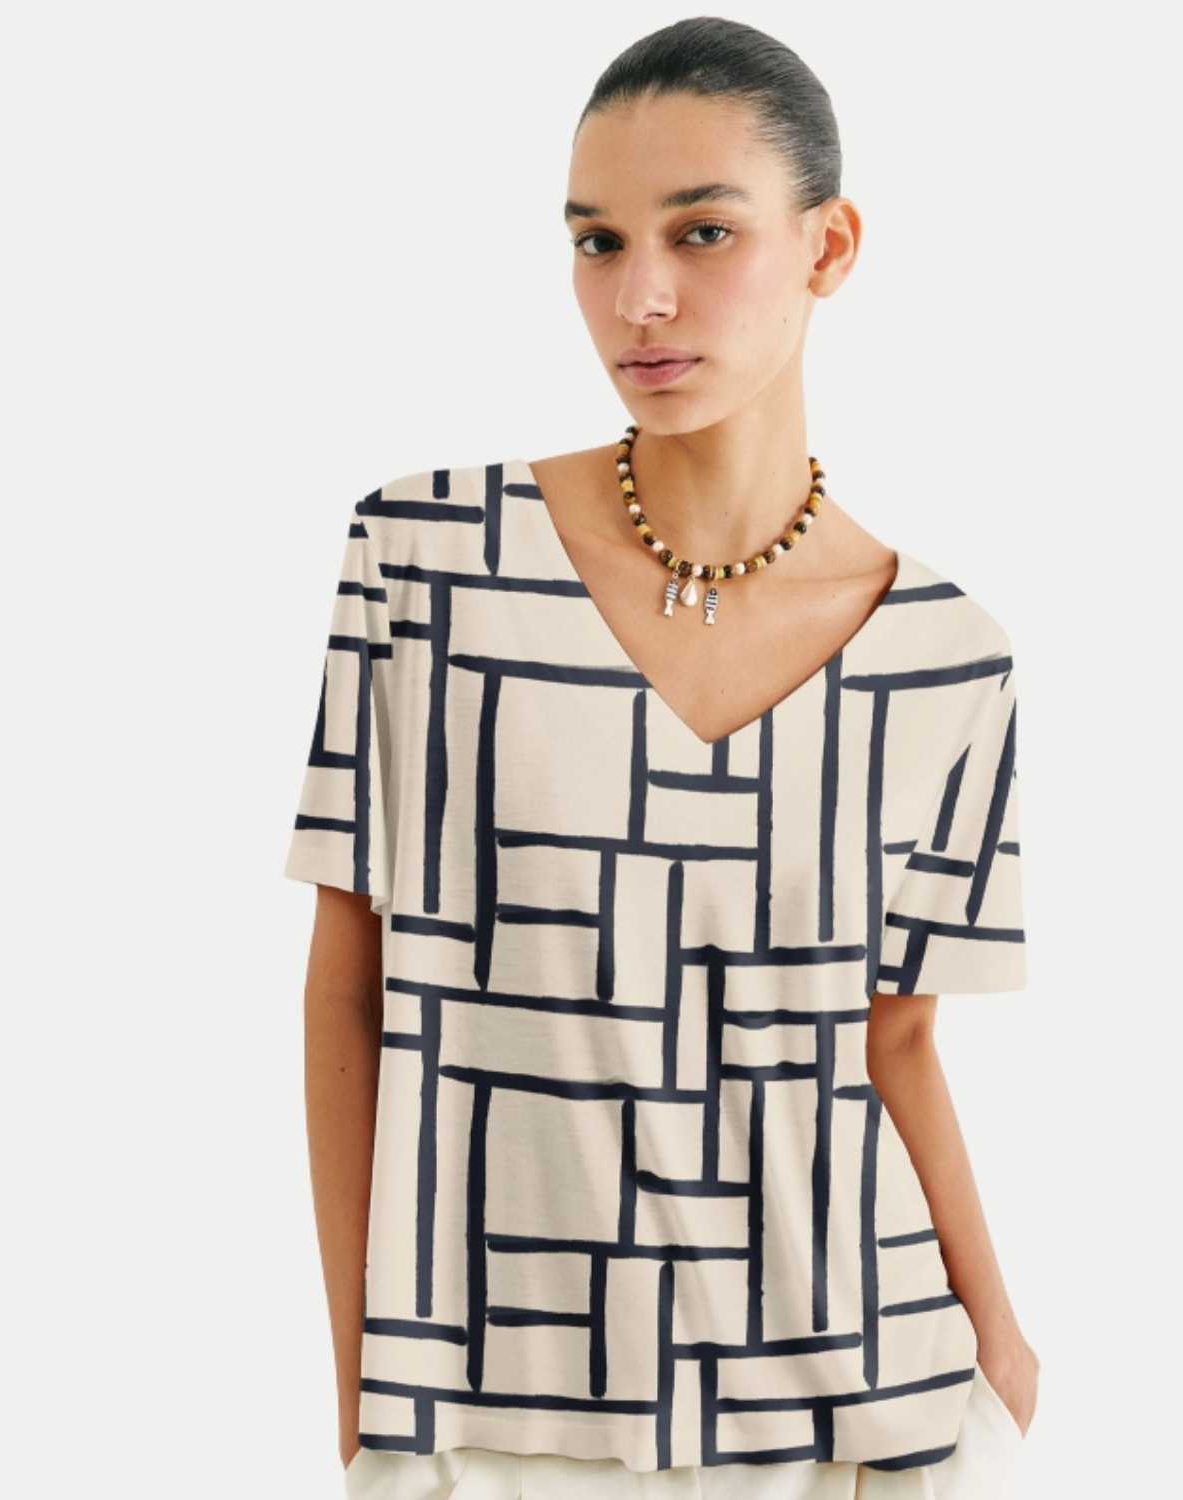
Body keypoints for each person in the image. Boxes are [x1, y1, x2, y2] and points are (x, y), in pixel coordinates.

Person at [284, 17, 1039, 1499]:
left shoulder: (948, 657)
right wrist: (366, 1385)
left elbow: (895, 1043)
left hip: (867, 1417)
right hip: (495, 1421)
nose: (639, 297)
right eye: (597, 240)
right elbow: (348, 992)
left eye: (703, 232)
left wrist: (1000, 1345)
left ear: (828, 248)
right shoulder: (428, 563)